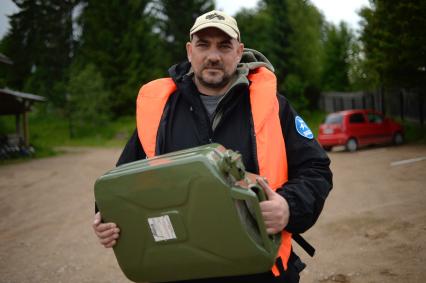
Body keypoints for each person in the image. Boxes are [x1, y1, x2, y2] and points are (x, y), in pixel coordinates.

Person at [93, 10, 332, 283]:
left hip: (259, 271)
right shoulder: (159, 111)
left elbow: (316, 169)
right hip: (180, 271)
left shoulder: (274, 107)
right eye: (203, 44)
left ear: (239, 52)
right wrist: (104, 217)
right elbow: (123, 181)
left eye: (224, 45)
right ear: (189, 50)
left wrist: (288, 206)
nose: (213, 56)